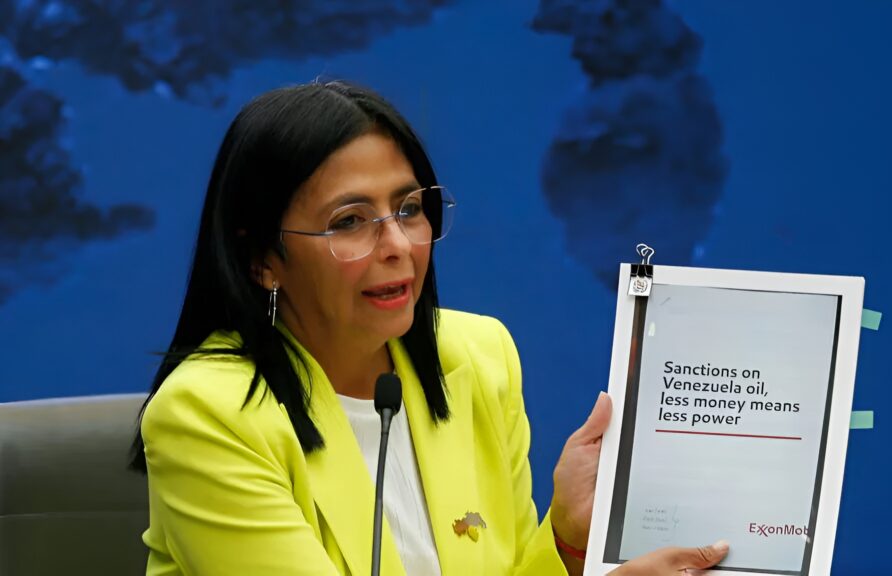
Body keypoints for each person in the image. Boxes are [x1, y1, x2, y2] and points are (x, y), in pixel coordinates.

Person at [129, 80, 728, 575]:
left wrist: (568, 540)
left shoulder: (476, 357)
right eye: (349, 221)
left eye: (409, 209)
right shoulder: (206, 416)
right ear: (261, 258)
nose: (397, 244)